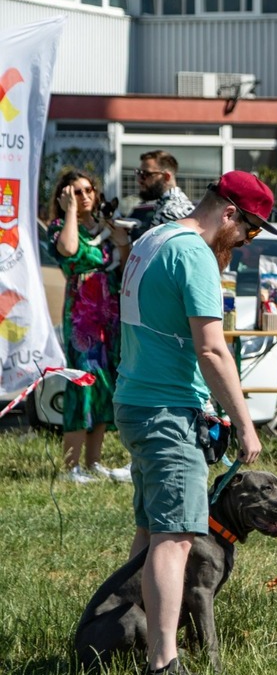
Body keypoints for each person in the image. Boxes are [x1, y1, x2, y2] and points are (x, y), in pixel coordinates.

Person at [114, 171, 275, 675]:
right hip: (166, 408)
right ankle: (163, 664)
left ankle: (126, 636)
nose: (247, 243)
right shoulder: (196, 255)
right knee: (177, 537)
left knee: (151, 530)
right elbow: (210, 348)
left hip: (137, 399)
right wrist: (246, 424)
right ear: (229, 213)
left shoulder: (153, 238)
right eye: (249, 230)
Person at [49, 169, 132, 484]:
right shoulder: (60, 227)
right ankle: (71, 467)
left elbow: (123, 268)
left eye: (87, 191)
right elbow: (69, 251)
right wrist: (69, 211)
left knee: (105, 387)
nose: (84, 197)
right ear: (65, 196)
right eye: (76, 192)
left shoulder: (104, 227)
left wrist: (122, 244)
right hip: (82, 318)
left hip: (109, 316)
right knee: (82, 384)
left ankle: (93, 462)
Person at [131, 150, 194, 240]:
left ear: (166, 177)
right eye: (139, 173)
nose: (140, 180)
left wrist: (124, 245)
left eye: (146, 174)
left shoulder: (171, 211)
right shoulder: (167, 205)